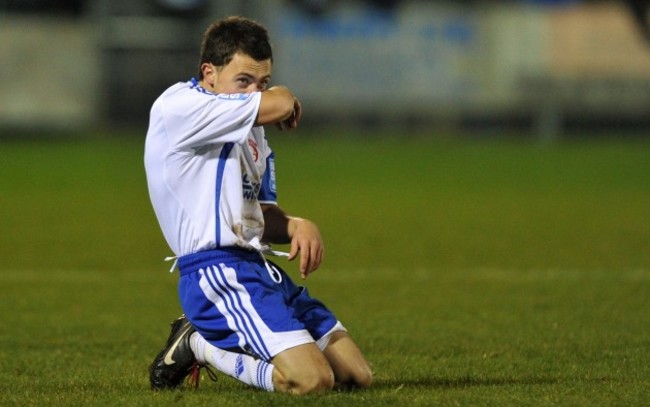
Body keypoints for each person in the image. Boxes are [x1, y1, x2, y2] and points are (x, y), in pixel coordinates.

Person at [144, 16, 373, 394]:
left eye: (262, 82)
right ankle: (199, 344)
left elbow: (261, 215)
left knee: (355, 375)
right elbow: (282, 101)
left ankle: (224, 340)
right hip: (217, 272)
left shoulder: (253, 130)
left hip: (257, 268)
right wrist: (278, 96)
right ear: (209, 72)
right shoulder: (179, 107)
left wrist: (297, 225)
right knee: (311, 380)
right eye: (244, 80)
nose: (254, 91)